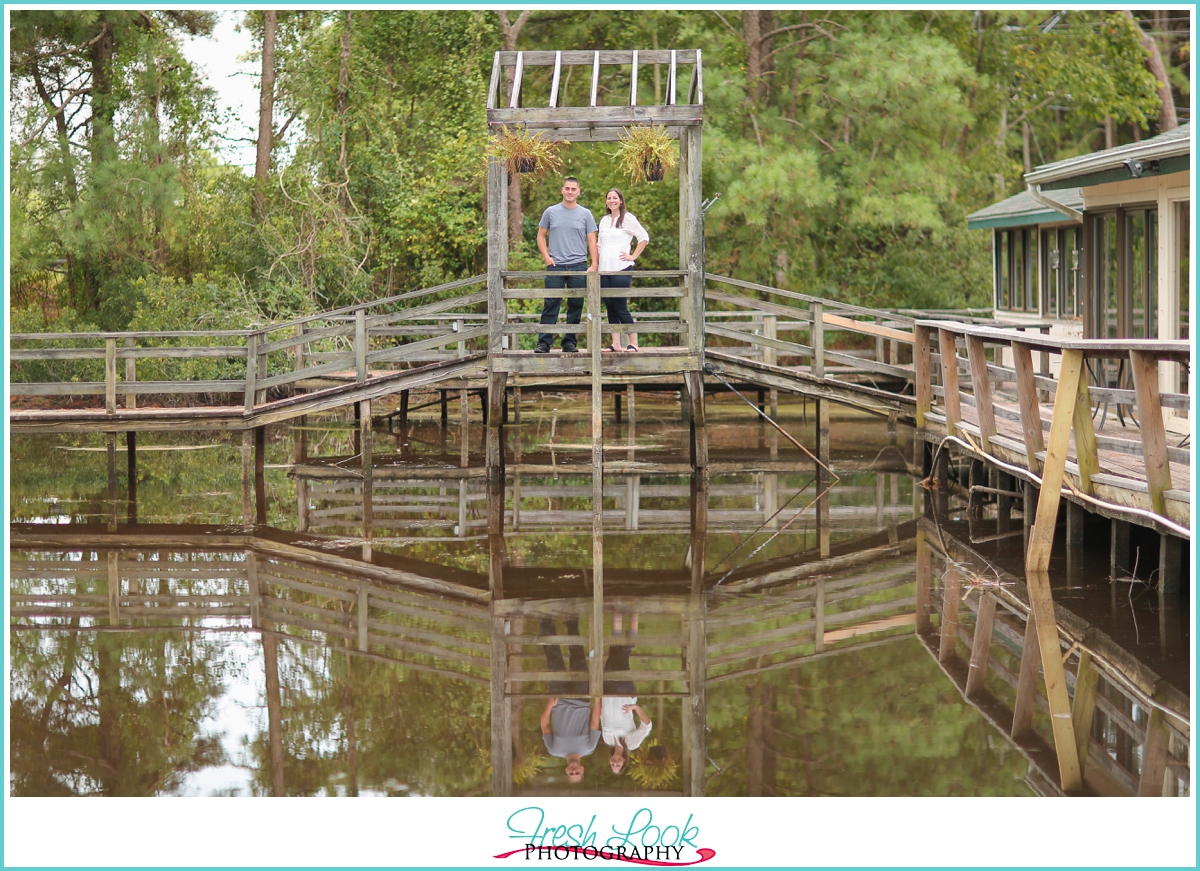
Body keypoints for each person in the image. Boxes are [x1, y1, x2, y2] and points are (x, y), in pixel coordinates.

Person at [535, 177, 599, 354]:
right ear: (562, 190)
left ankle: (569, 342)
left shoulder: (585, 214)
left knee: (576, 304)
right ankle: (544, 343)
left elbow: (592, 240)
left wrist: (594, 264)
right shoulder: (551, 212)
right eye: (567, 188)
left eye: (573, 189)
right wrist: (546, 257)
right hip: (556, 264)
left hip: (578, 265)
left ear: (578, 192)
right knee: (551, 303)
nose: (570, 192)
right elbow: (541, 236)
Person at [539, 617, 600, 783]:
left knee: (553, 657)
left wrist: (549, 706)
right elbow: (595, 721)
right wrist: (597, 698)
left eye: (571, 774)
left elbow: (544, 724)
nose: (574, 771)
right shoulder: (589, 747)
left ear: (566, 770)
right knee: (578, 657)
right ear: (582, 769)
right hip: (581, 697)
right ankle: (571, 621)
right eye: (577, 773)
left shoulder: (554, 749)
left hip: (558, 696)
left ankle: (546, 620)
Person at [597, 188, 649, 352]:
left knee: (620, 306)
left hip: (621, 267)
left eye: (615, 198)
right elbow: (599, 245)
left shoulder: (627, 218)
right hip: (604, 269)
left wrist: (633, 256)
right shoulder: (604, 221)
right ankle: (616, 344)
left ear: (620, 201)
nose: (611, 200)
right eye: (609, 198)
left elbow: (644, 237)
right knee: (610, 306)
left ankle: (633, 342)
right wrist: (595, 265)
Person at [600, 613, 652, 775]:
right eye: (618, 765)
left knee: (614, 653)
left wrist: (599, 698)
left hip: (607, 693)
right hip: (624, 693)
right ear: (624, 761)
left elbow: (603, 716)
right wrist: (636, 707)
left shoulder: (607, 740)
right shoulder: (632, 744)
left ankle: (618, 613)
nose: (615, 763)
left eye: (612, 765)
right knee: (622, 656)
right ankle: (633, 614)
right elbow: (647, 725)